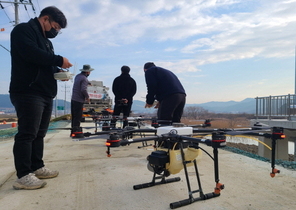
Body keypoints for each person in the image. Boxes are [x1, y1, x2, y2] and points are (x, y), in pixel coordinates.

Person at [9, 6, 72, 190]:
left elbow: (46, 62)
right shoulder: (23, 31)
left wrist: (58, 70)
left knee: (39, 133)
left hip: (44, 92)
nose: (55, 31)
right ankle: (23, 175)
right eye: (56, 27)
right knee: (27, 133)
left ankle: (37, 166)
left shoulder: (46, 41)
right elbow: (31, 53)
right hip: (28, 91)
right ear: (45, 19)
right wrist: (59, 59)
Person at [71, 64, 94, 134]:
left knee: (74, 116)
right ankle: (76, 131)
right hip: (79, 100)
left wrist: (88, 82)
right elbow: (83, 89)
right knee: (78, 117)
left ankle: (73, 130)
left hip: (73, 99)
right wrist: (87, 97)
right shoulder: (84, 79)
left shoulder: (78, 76)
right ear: (87, 72)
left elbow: (81, 83)